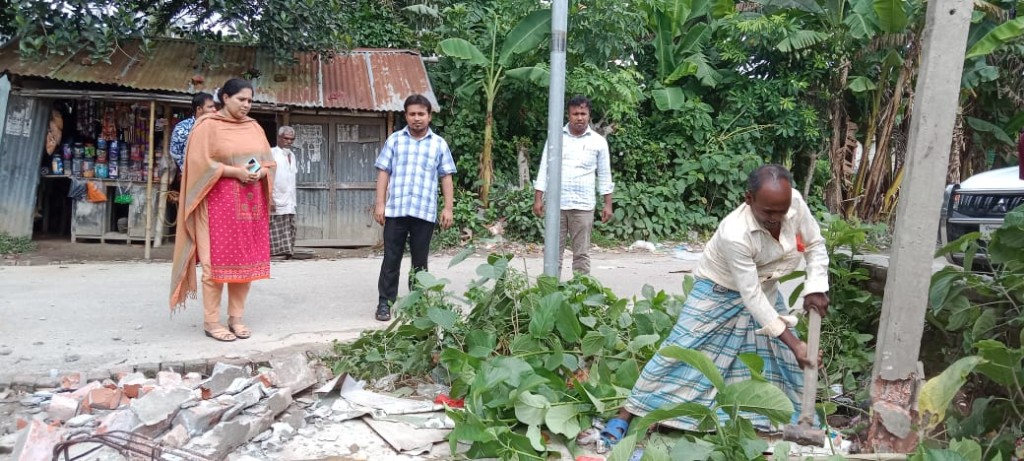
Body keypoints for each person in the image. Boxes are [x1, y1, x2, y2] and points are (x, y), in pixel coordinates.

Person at [600, 165, 830, 443]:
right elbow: (751, 296)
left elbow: (815, 244)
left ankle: (782, 420)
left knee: (779, 358)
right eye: (768, 212)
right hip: (718, 289)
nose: (776, 218)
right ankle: (627, 412)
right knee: (681, 350)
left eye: (781, 211)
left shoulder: (794, 202)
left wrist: (816, 286)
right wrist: (796, 344)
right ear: (749, 199)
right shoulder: (735, 232)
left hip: (765, 286)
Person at [169, 78, 277, 342]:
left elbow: (268, 163)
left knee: (245, 265)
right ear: (225, 98)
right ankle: (212, 321)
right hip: (215, 205)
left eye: (250, 100)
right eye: (241, 99)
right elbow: (199, 165)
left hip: (248, 206)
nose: (247, 105)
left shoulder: (254, 127)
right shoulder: (207, 126)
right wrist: (234, 172)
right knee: (214, 266)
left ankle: (236, 318)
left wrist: (257, 172)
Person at [373, 94, 456, 321]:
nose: (417, 118)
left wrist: (448, 208)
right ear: (406, 116)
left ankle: (417, 303)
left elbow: (446, 177)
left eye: (421, 114)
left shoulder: (439, 144)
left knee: (420, 261)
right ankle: (385, 303)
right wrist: (380, 204)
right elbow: (383, 172)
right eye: (412, 114)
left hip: (424, 211)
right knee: (391, 258)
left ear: (429, 116)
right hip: (396, 210)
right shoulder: (395, 140)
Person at [532, 95, 614, 275]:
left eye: (583, 113)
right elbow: (544, 168)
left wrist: (608, 204)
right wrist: (538, 198)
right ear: (568, 115)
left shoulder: (598, 142)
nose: (579, 117)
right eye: (575, 113)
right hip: (556, 206)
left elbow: (604, 174)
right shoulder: (555, 138)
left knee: (581, 254)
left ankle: (581, 294)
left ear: (589, 115)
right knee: (553, 254)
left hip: (583, 206)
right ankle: (551, 293)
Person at [169, 92, 217, 171]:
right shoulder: (183, 128)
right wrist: (186, 169)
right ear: (199, 109)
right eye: (210, 107)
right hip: (191, 174)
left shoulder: (217, 126)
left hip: (214, 174)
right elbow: (175, 153)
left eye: (215, 106)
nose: (214, 110)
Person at [270, 126, 298, 259]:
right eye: (286, 138)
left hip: (289, 199)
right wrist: (269, 197)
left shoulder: (292, 156)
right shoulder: (271, 153)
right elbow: (263, 174)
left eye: (292, 139)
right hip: (276, 197)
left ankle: (286, 252)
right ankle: (273, 253)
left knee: (289, 225)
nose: (289, 142)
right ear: (279, 138)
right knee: (274, 226)